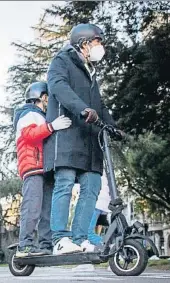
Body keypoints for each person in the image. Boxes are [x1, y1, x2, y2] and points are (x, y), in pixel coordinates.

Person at [44, 23, 117, 255]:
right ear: (84, 43)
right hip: (68, 135)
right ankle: (59, 239)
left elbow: (100, 105)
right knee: (64, 183)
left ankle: (80, 237)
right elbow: (58, 87)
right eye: (98, 42)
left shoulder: (91, 71)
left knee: (92, 186)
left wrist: (114, 127)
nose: (101, 47)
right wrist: (82, 109)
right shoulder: (61, 61)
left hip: (90, 139)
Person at [13, 81, 72, 257]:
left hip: (44, 168)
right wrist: (52, 126)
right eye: (47, 98)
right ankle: (25, 245)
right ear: (42, 97)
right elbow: (29, 135)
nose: (49, 102)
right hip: (33, 166)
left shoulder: (40, 115)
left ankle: (45, 245)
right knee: (32, 206)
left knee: (47, 209)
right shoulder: (28, 113)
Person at [88, 171, 111, 245]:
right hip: (102, 203)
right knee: (93, 232)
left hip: (96, 203)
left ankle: (107, 246)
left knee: (88, 234)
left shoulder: (93, 169)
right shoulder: (102, 168)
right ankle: (108, 245)